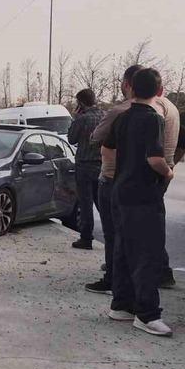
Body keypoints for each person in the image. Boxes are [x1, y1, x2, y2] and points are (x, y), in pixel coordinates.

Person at [86, 65, 178, 293]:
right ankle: (161, 273)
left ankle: (118, 286)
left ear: (129, 85)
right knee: (150, 234)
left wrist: (163, 168)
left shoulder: (127, 113)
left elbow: (100, 141)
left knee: (118, 235)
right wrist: (171, 166)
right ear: (159, 89)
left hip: (124, 179)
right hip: (154, 181)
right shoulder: (170, 108)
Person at [102, 68, 173, 337]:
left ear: (130, 88)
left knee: (123, 249)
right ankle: (147, 314)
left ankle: (121, 305)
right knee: (147, 253)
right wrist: (169, 172)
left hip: (120, 191)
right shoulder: (153, 119)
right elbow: (154, 159)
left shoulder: (122, 117)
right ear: (160, 91)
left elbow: (106, 149)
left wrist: (117, 171)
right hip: (143, 195)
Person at [67, 88, 105, 250]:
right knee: (103, 204)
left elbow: (71, 138)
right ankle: (111, 236)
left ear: (81, 103)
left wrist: (75, 118)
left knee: (85, 204)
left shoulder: (82, 119)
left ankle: (86, 238)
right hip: (102, 165)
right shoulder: (105, 116)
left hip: (84, 165)